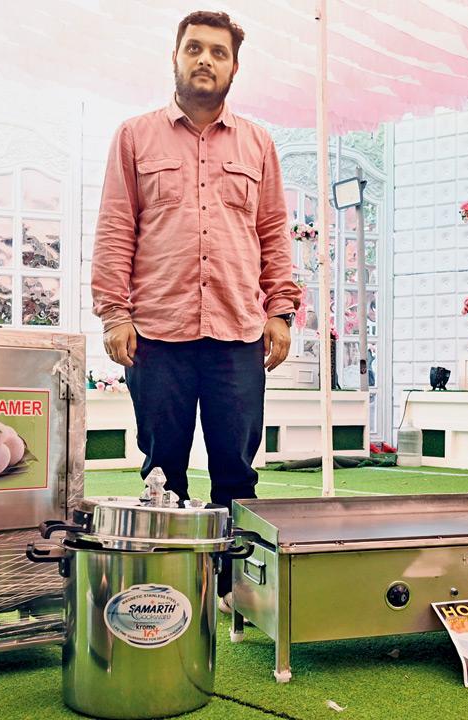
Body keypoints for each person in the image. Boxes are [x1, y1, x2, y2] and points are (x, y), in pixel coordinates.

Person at [91, 10, 299, 610]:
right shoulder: (135, 136)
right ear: (175, 57)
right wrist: (114, 314)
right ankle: (171, 589)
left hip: (238, 331)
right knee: (163, 471)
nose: (206, 59)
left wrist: (280, 311)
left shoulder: (258, 143)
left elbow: (273, 230)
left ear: (235, 66)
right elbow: (115, 226)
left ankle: (237, 591)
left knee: (237, 472)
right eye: (194, 49)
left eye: (219, 52)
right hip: (157, 332)